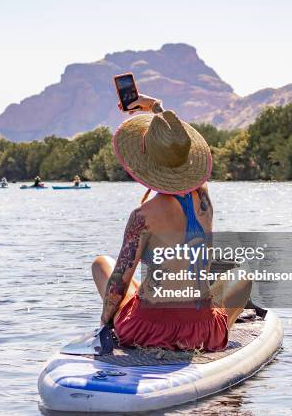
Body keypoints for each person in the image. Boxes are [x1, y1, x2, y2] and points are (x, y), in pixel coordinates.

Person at [92, 94, 252, 351]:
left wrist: (104, 324)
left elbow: (117, 285)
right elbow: (177, 145)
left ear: (146, 166)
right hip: (200, 331)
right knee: (242, 276)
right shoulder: (204, 200)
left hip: (144, 331)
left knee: (103, 264)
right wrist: (157, 108)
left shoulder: (143, 216)